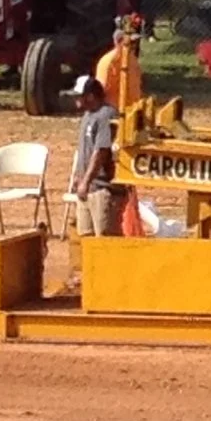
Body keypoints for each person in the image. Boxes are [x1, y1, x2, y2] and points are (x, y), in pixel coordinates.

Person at [68, 74, 124, 276]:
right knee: (86, 236)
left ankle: (108, 278)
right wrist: (78, 177)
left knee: (105, 238)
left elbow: (101, 152)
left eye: (79, 95)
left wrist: (86, 180)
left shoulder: (106, 115)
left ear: (90, 96)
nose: (76, 99)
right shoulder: (88, 116)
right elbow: (85, 149)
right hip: (88, 187)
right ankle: (91, 278)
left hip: (102, 188)